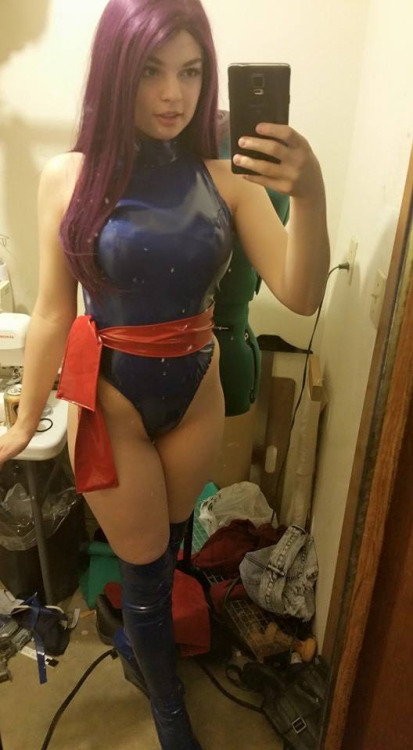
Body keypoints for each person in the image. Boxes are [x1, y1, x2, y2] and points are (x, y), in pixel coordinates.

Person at [0, 0, 330, 747]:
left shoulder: (229, 178)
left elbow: (302, 292)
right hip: (112, 397)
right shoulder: (66, 178)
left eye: (190, 71)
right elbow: (52, 312)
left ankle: (136, 645)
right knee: (146, 573)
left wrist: (308, 193)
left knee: (171, 546)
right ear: (115, 74)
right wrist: (24, 420)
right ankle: (169, 708)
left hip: (197, 393)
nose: (173, 95)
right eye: (151, 71)